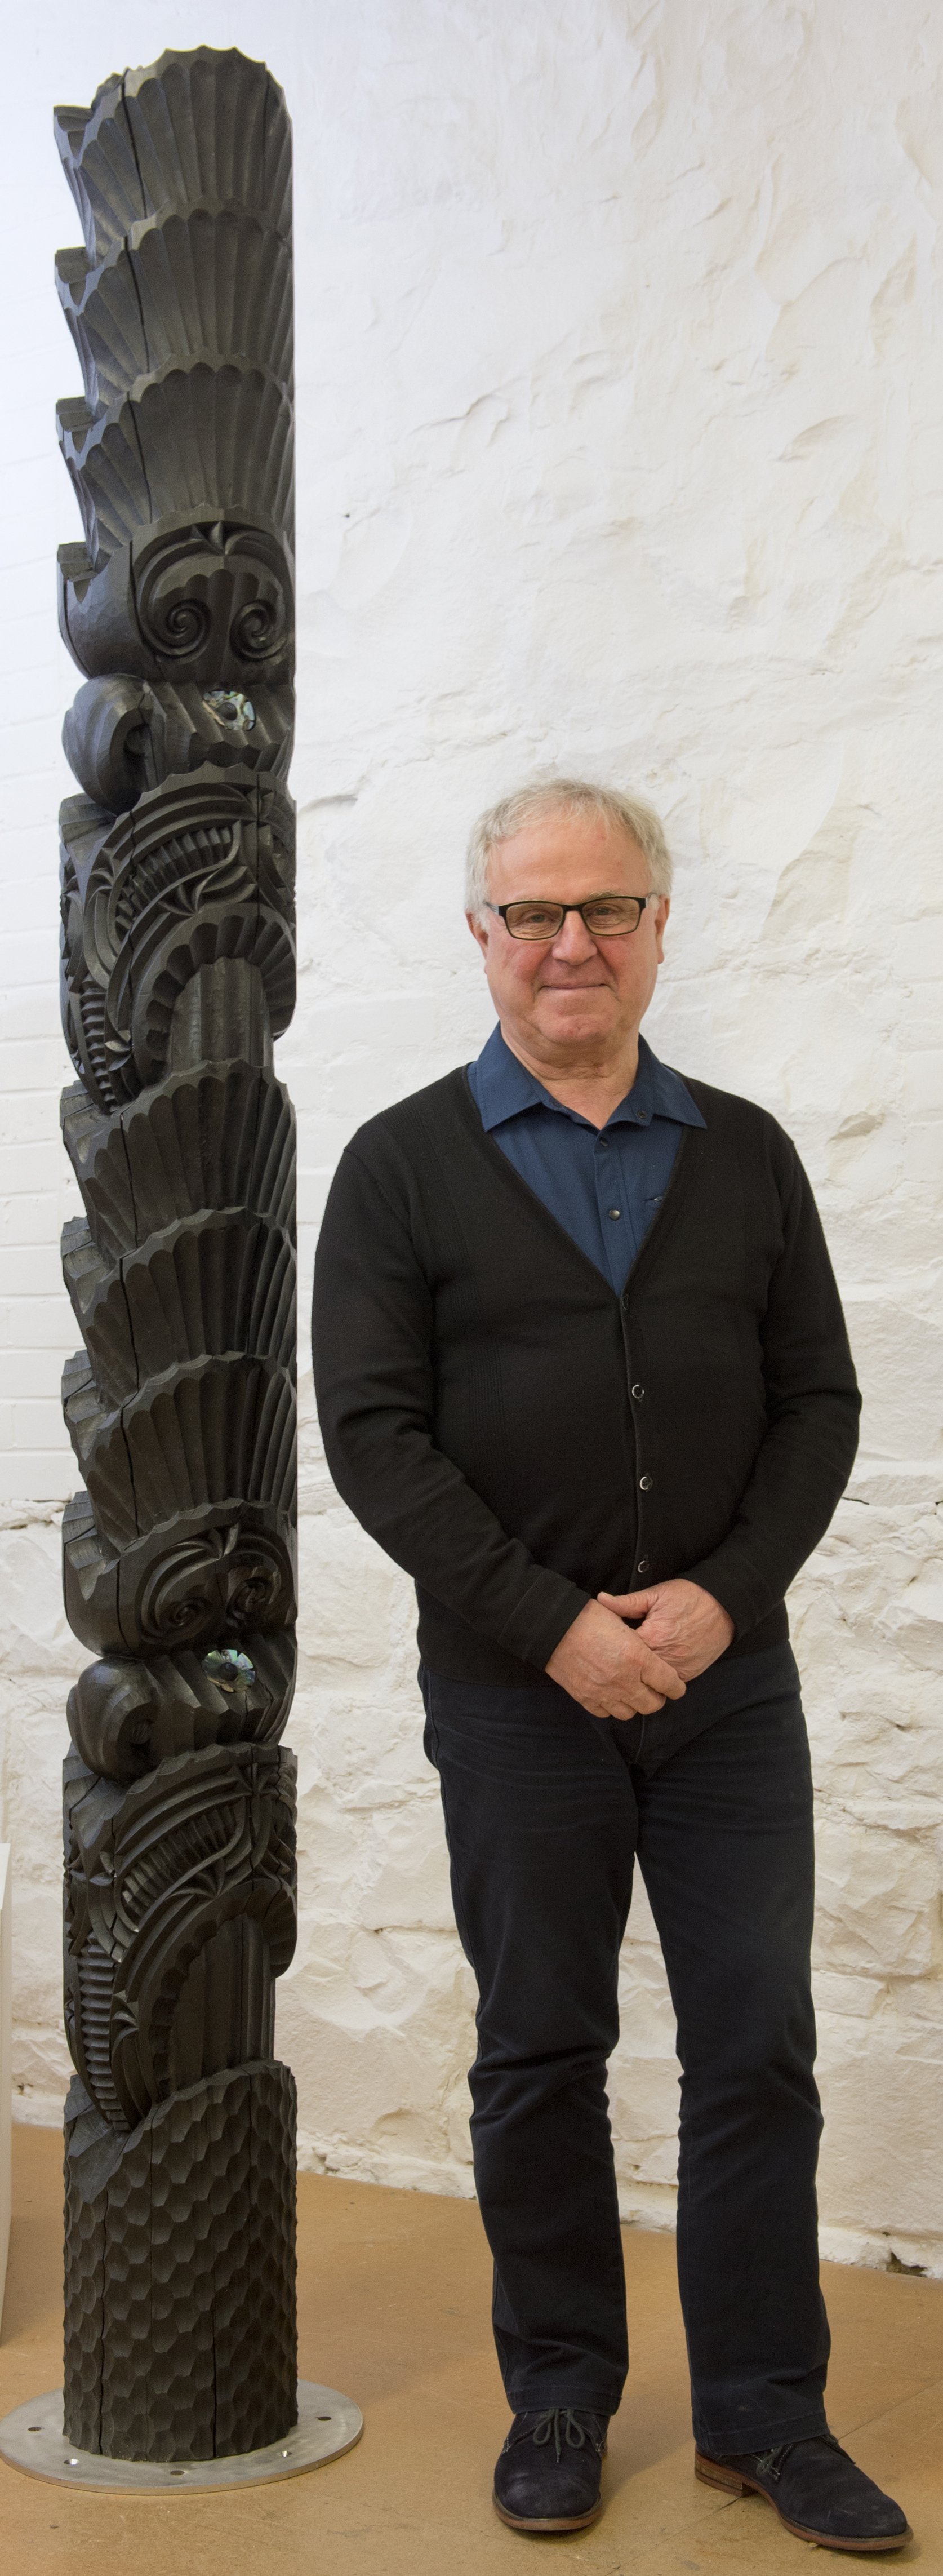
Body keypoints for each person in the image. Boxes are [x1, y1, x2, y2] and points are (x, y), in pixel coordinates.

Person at [312, 778, 911, 2553]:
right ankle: (559, 2395)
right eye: (533, 913)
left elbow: (818, 1402)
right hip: (516, 1694)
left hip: (729, 1688)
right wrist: (554, 1623)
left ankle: (765, 2417)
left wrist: (720, 1600)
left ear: (658, 927)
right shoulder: (402, 1163)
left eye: (608, 908)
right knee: (538, 2046)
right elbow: (371, 1434)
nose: (571, 942)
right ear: (479, 934)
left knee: (753, 2045)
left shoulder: (743, 1151)